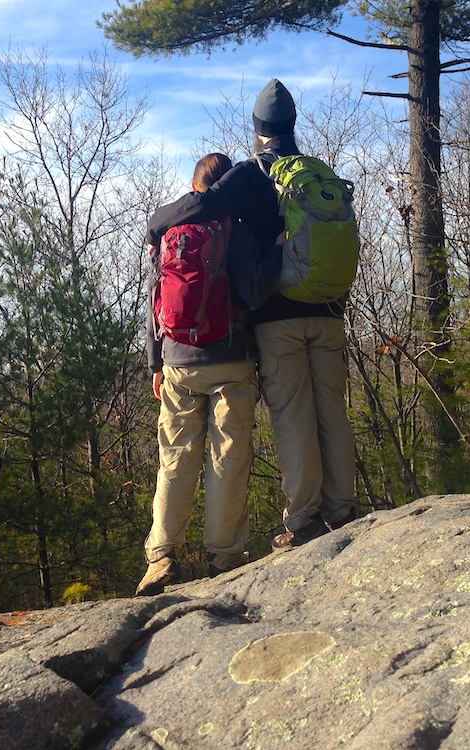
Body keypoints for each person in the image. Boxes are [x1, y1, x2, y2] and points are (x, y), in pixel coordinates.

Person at [147, 79, 359, 551]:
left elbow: (200, 206)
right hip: (328, 311)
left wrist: (157, 224)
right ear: (293, 125)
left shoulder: (250, 173)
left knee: (292, 415)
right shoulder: (315, 171)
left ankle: (303, 520)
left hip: (277, 317)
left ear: (258, 129)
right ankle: (343, 508)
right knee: (333, 411)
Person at [136, 153, 280, 597]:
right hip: (231, 358)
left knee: (176, 457)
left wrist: (156, 363)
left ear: (194, 185)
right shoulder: (233, 228)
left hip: (178, 360)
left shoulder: (170, 232)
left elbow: (155, 299)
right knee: (227, 457)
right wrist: (275, 251)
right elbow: (253, 291)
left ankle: (161, 556)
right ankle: (225, 555)